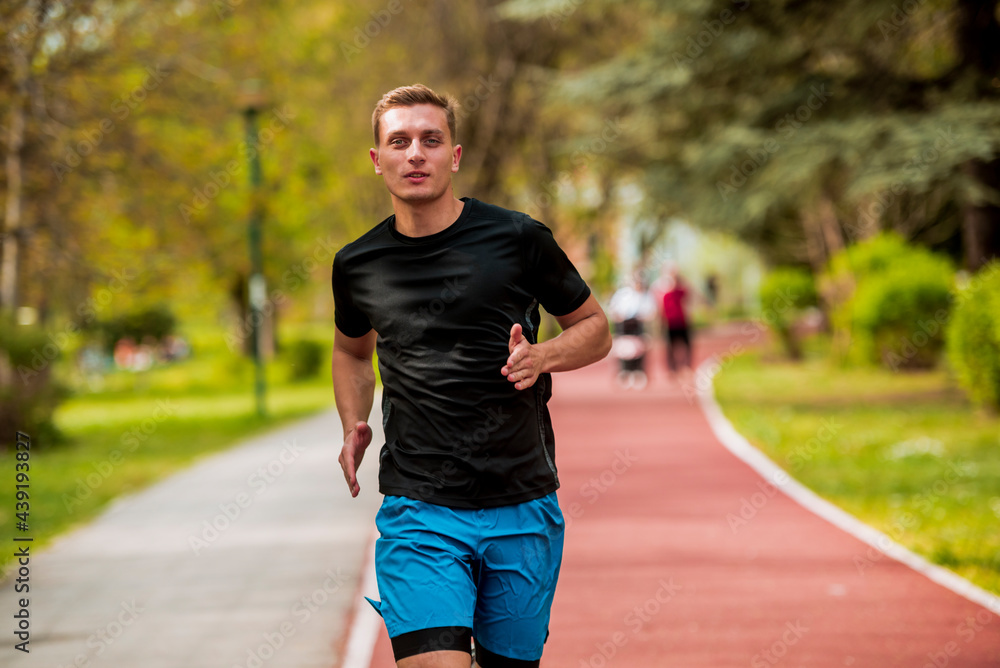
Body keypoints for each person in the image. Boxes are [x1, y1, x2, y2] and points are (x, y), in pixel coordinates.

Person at [331, 84, 611, 668]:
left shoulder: (518, 240)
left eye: (431, 140)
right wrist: (354, 419)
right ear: (376, 159)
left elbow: (593, 327)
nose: (415, 154)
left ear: (453, 156)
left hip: (521, 500)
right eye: (399, 142)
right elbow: (354, 353)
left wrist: (543, 357)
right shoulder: (357, 264)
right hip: (419, 504)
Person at [607, 272, 656, 389]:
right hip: (623, 326)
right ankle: (624, 372)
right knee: (624, 350)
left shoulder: (645, 295)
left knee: (639, 349)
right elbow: (613, 309)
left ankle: (638, 372)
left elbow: (650, 311)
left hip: (638, 325)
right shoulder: (621, 294)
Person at [659, 266, 693, 378]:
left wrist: (679, 277)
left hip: (682, 323)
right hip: (670, 324)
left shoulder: (680, 292)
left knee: (687, 345)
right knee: (670, 347)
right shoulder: (665, 295)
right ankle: (672, 369)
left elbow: (689, 291)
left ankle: (686, 367)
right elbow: (661, 310)